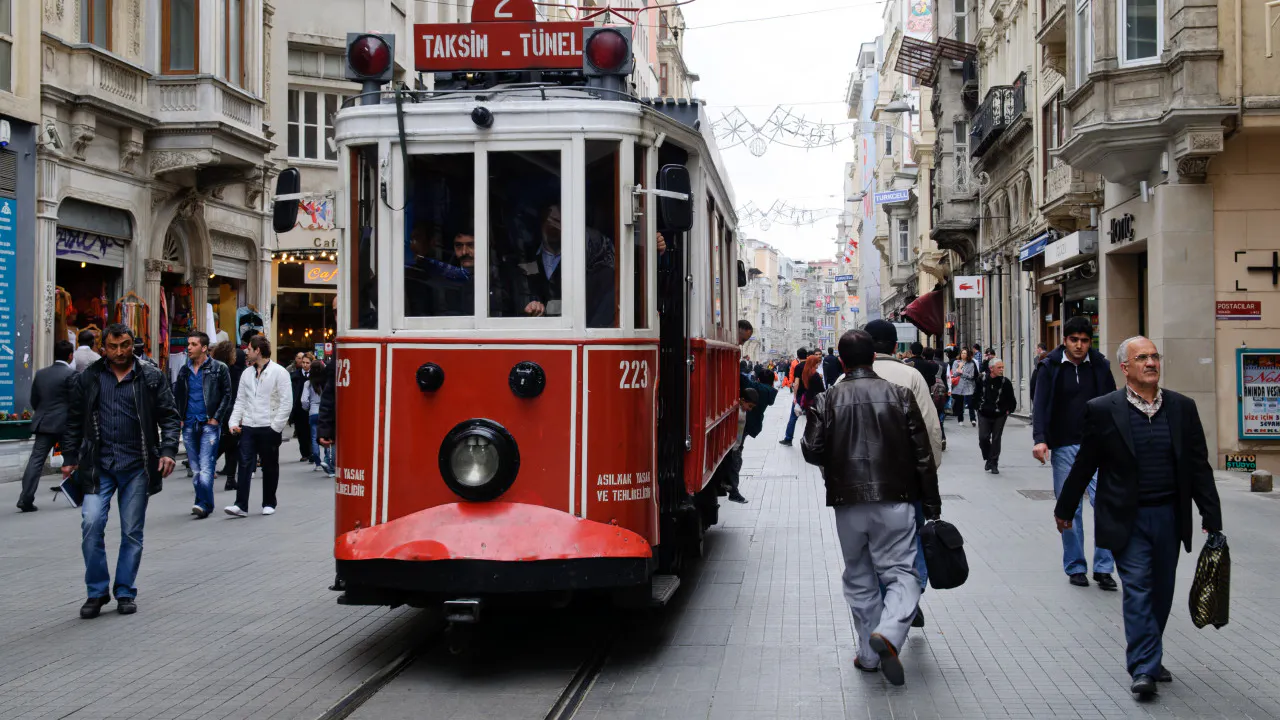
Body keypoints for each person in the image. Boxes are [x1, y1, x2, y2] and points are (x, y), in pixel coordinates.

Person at [1054, 336, 1222, 698]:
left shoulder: (1182, 407)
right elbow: (1086, 463)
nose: (1151, 362)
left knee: (1162, 591)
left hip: (1169, 517)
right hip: (1125, 518)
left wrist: (1211, 513)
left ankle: (1151, 653)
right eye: (1142, 357)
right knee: (1139, 589)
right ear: (1125, 367)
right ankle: (1143, 667)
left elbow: (1198, 466)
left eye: (1154, 356)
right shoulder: (1103, 409)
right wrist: (1065, 508)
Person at [801, 329, 940, 686]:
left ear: (842, 362)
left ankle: (867, 654)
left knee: (859, 576)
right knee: (901, 573)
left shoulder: (827, 399)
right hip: (896, 500)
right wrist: (932, 503)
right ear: (874, 358)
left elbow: (811, 449)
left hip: (847, 503)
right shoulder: (901, 395)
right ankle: (890, 634)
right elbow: (923, 456)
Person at [62, 324, 180, 618]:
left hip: (137, 466)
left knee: (131, 532)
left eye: (124, 345)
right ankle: (97, 592)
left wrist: (167, 451)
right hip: (97, 467)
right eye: (113, 346)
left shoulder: (150, 376)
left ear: (133, 345)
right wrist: (69, 457)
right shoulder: (89, 378)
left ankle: (125, 590)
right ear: (103, 347)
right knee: (91, 524)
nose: (118, 352)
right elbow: (74, 420)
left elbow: (169, 415)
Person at [1032, 315, 1118, 589]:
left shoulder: (1101, 365)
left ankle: (1104, 568)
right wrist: (1041, 439)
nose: (1080, 346)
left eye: (1084, 340)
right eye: (1074, 340)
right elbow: (1041, 405)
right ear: (1065, 340)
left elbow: (1113, 403)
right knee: (1069, 508)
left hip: (1099, 447)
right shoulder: (1050, 366)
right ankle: (1076, 566)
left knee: (1106, 505)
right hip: (1065, 446)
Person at [225, 336, 292, 518]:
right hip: (248, 425)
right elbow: (240, 400)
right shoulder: (246, 374)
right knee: (244, 463)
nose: (246, 352)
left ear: (258, 351)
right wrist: (233, 422)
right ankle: (241, 505)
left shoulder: (279, 372)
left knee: (269, 465)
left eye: (249, 349)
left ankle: (269, 502)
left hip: (268, 426)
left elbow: (286, 402)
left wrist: (275, 427)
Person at [173, 332, 232, 519]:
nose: (188, 347)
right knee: (196, 468)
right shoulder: (184, 370)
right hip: (189, 423)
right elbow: (178, 395)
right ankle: (206, 502)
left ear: (204, 348)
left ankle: (202, 504)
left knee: (206, 466)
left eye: (193, 344)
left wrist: (216, 418)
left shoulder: (219, 368)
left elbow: (227, 395)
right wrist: (180, 417)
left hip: (209, 423)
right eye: (188, 344)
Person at [17, 340, 75, 512]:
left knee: (36, 461)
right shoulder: (71, 374)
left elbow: (34, 399)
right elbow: (75, 402)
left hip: (44, 423)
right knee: (73, 458)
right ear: (71, 356)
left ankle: (25, 498)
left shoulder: (41, 374)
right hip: (65, 425)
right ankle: (79, 493)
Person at [211, 341, 245, 491]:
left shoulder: (213, 368)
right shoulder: (235, 370)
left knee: (230, 442)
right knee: (231, 443)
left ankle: (230, 478)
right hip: (231, 409)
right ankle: (209, 463)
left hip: (219, 408)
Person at [976, 357, 1017, 474]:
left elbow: (1011, 399)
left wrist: (1009, 410)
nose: (1001, 369)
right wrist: (978, 406)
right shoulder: (982, 380)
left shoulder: (1005, 382)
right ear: (991, 369)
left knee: (996, 438)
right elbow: (976, 394)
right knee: (983, 438)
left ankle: (994, 463)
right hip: (984, 413)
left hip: (1000, 414)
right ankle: (988, 457)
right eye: (999, 367)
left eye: (1002, 367)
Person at [302, 362, 334, 477]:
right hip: (324, 411)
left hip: (313, 412)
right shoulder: (326, 382)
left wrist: (308, 408)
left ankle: (317, 461)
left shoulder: (308, 384)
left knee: (314, 436)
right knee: (326, 436)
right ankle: (327, 458)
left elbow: (304, 400)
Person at [779, 348, 809, 446]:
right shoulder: (810, 366)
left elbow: (796, 383)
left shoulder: (798, 367)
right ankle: (810, 440)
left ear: (798, 356)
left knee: (793, 417)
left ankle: (788, 438)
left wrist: (795, 396)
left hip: (800, 395)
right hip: (810, 395)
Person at [289, 352, 312, 464]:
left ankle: (311, 452)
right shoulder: (295, 376)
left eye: (307, 363)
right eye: (303, 362)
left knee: (310, 431)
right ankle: (304, 453)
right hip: (298, 408)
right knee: (301, 432)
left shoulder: (315, 375)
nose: (304, 365)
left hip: (311, 408)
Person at [950, 347, 979, 426]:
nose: (963, 355)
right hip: (959, 385)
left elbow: (971, 376)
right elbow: (954, 374)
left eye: (965, 353)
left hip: (969, 385)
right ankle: (960, 419)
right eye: (962, 353)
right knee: (959, 403)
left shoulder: (971, 363)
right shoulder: (956, 362)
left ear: (968, 355)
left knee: (970, 403)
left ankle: (973, 419)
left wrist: (962, 372)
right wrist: (959, 367)